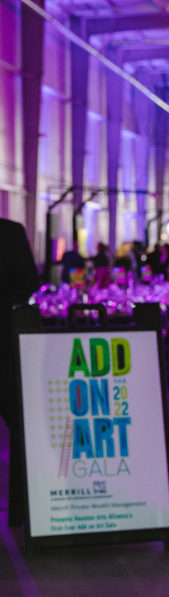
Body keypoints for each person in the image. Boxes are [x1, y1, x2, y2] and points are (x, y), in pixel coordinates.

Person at [0, 218, 39, 526]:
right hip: (6, 337)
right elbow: (28, 283)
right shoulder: (11, 231)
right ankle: (20, 510)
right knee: (18, 424)